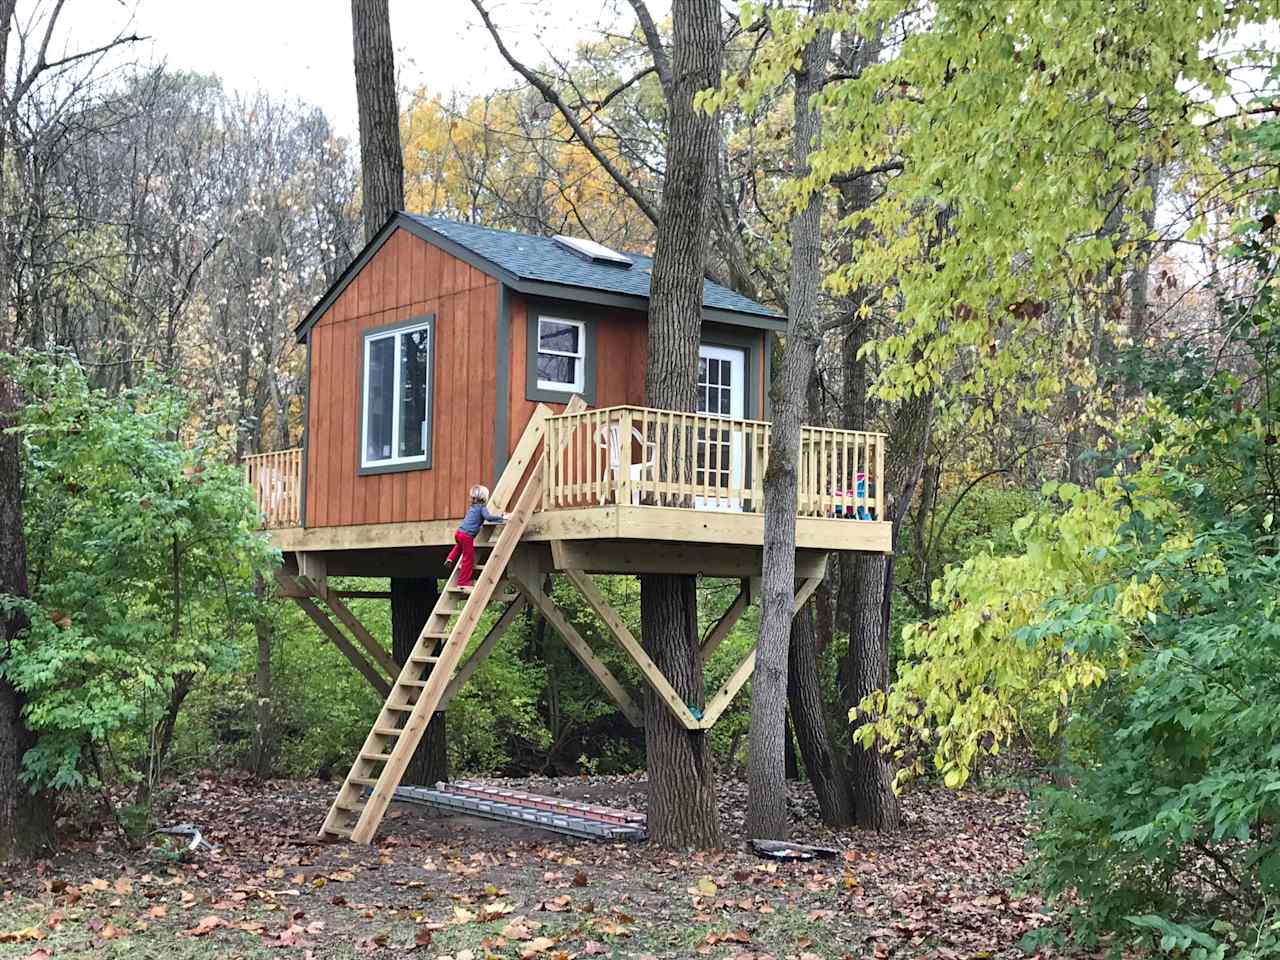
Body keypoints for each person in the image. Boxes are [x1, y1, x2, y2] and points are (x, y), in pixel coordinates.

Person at [445, 484, 506, 588]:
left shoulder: (472, 507)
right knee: (468, 559)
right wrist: (502, 518)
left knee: (459, 546)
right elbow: (488, 518)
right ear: (484, 498)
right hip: (467, 536)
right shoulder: (482, 508)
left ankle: (450, 558)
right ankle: (463, 582)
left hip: (459, 533)